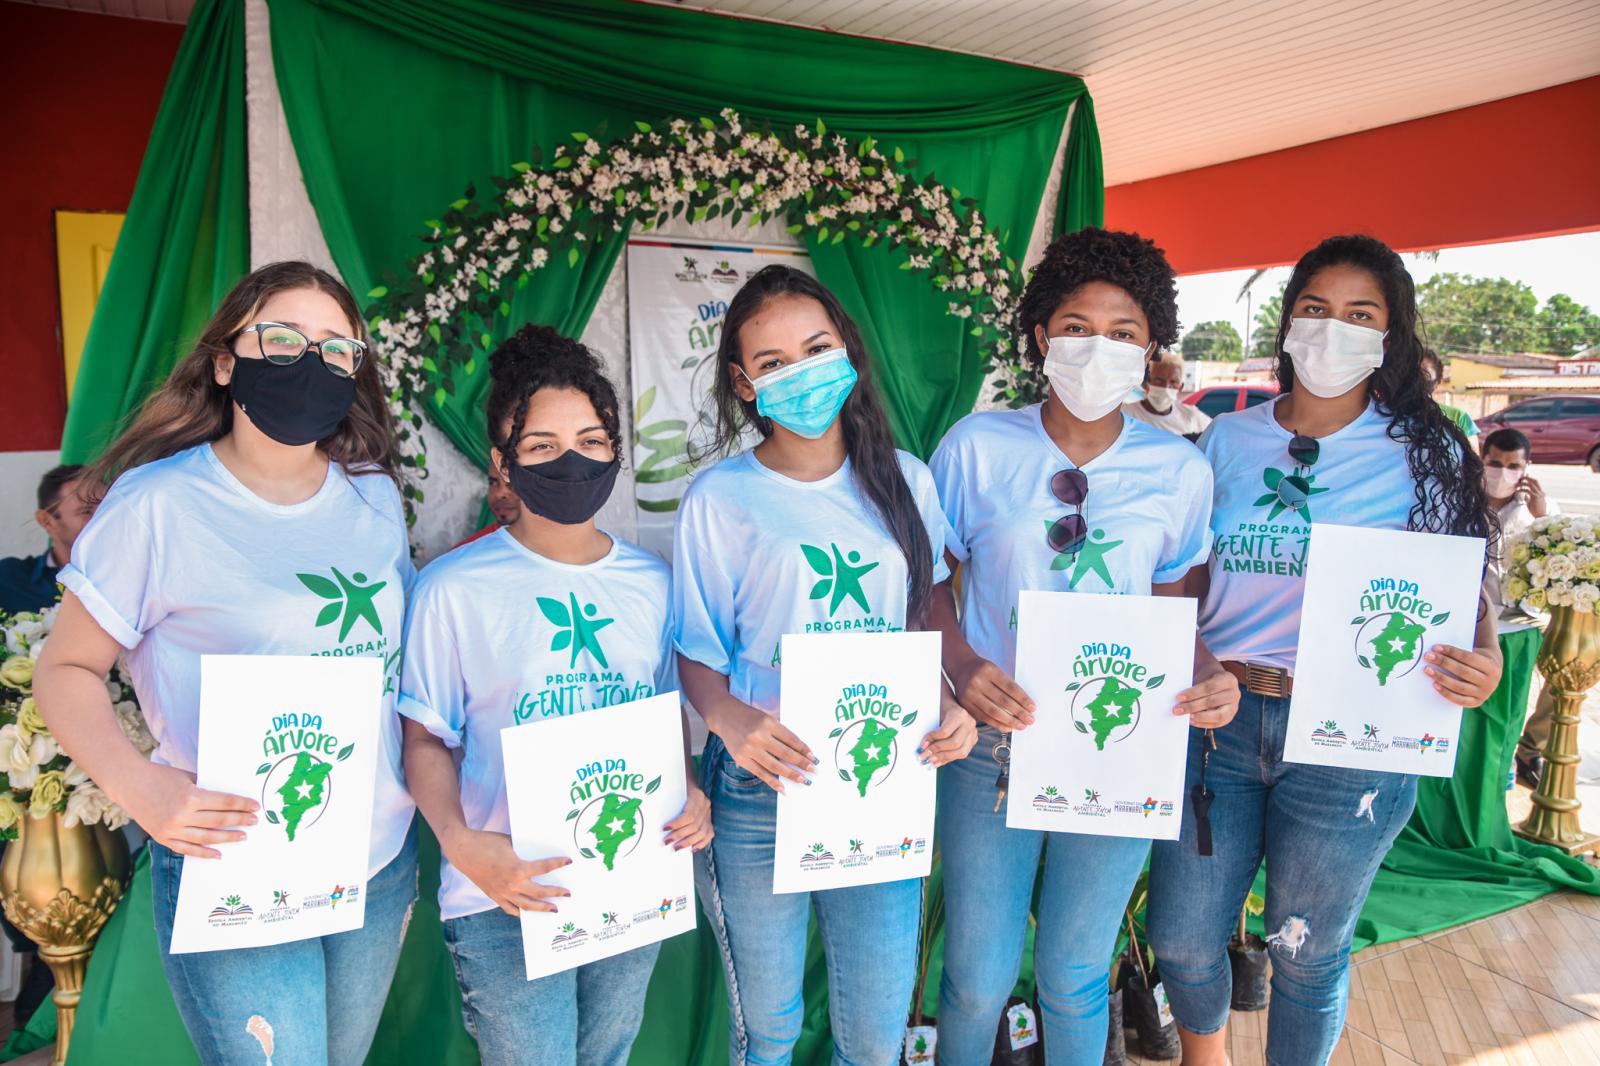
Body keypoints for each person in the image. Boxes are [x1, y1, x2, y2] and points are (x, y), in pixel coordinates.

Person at [33, 261, 417, 1066]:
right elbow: (64, 669)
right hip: (236, 857)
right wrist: (139, 787)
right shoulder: (156, 506)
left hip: (376, 858)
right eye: (281, 339)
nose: (311, 362)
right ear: (223, 360)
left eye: (338, 348)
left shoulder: (374, 494)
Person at [1147, 235, 1503, 1066]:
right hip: (1217, 720)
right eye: (1314, 309)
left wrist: (1481, 657)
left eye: (1359, 314)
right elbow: (1184, 577)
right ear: (1286, 323)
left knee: (1306, 950)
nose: (1332, 329)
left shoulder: (1427, 449)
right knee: (1184, 937)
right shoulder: (1226, 443)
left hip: (1352, 736)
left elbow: (1468, 577)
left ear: (1391, 335)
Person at [928, 226, 1240, 1064]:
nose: (1096, 347)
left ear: (1149, 350)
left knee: (1074, 973)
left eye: (1124, 332)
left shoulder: (1180, 470)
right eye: (1075, 325)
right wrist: (961, 669)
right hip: (991, 747)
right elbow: (927, 581)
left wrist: (1210, 675)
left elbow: (1177, 611)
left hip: (1117, 745)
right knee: (976, 979)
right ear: (1039, 336)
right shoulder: (975, 447)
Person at [672, 264, 977, 1064]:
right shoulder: (720, 498)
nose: (800, 374)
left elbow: (925, 615)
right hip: (761, 782)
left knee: (874, 1037)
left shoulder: (907, 481)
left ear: (848, 351)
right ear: (743, 384)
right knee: (768, 1033)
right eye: (773, 364)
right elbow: (695, 651)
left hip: (879, 778)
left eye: (815, 349)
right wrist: (729, 719)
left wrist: (949, 701)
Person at [399, 325, 712, 1066]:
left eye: (590, 439)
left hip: (627, 869)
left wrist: (691, 789)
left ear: (616, 448)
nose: (570, 458)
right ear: (501, 463)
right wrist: (461, 844)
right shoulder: (454, 589)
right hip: (505, 891)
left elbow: (663, 715)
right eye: (539, 446)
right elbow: (423, 739)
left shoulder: (652, 582)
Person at [1480, 426, 1559, 787]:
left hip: (1521, 623)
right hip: (1478, 619)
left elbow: (1559, 563)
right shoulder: (1462, 498)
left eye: (1513, 466)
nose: (1502, 473)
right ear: (1482, 459)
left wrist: (1541, 516)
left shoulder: (1538, 511)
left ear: (1526, 468)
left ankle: (1509, 767)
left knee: (1508, 716)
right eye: (1495, 463)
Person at [0, 464, 93, 614]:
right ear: (46, 521)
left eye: (106, 508)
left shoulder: (135, 576)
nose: (102, 519)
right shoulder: (10, 581)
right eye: (86, 511)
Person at [1124, 347, 1211, 438]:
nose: (1166, 387)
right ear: (1147, 383)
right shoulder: (1126, 413)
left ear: (1180, 387)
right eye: (1159, 380)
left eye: (1173, 382)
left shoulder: (1190, 415)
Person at [1421, 349, 1478, 442]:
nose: (1416, 380)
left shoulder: (1458, 418)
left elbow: (1472, 455)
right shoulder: (1390, 417)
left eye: (1424, 374)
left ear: (1438, 381)